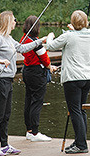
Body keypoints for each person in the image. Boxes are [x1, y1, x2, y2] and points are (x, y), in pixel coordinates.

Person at [0, 10, 43, 156]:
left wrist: (40, 41)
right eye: (14, 19)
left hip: (8, 80)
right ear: (8, 21)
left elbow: (22, 48)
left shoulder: (8, 38)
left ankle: (4, 145)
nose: (16, 21)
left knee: (6, 114)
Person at [45, 10, 90, 155]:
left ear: (72, 23)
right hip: (87, 77)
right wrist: (75, 29)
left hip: (73, 78)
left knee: (75, 111)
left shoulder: (68, 36)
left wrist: (50, 36)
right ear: (85, 23)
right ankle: (80, 141)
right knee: (81, 110)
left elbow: (50, 46)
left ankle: (81, 144)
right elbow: (80, 33)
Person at [19, 14, 55, 142]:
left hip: (27, 71)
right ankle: (35, 133)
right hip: (36, 74)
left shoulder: (24, 39)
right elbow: (44, 58)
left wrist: (49, 65)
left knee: (29, 100)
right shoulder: (35, 42)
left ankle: (29, 131)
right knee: (37, 102)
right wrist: (50, 66)